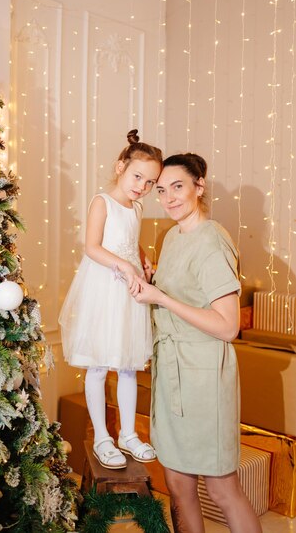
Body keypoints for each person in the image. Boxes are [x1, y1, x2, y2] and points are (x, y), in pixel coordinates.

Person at [130, 153, 262, 533]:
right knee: (177, 485)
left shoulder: (212, 242)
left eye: (178, 187)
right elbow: (182, 294)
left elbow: (227, 327)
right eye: (161, 190)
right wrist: (154, 282)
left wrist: (162, 298)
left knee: (222, 489)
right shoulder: (172, 236)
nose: (169, 198)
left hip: (204, 381)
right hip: (172, 376)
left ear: (199, 187)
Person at [59, 130, 162, 469]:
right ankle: (103, 436)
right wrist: (124, 265)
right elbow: (93, 247)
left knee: (129, 365)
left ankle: (128, 433)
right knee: (99, 364)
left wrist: (143, 257)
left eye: (150, 182)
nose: (142, 186)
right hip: (104, 289)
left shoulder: (137, 207)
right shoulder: (102, 201)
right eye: (138, 176)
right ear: (121, 167)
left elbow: (130, 241)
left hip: (129, 292)